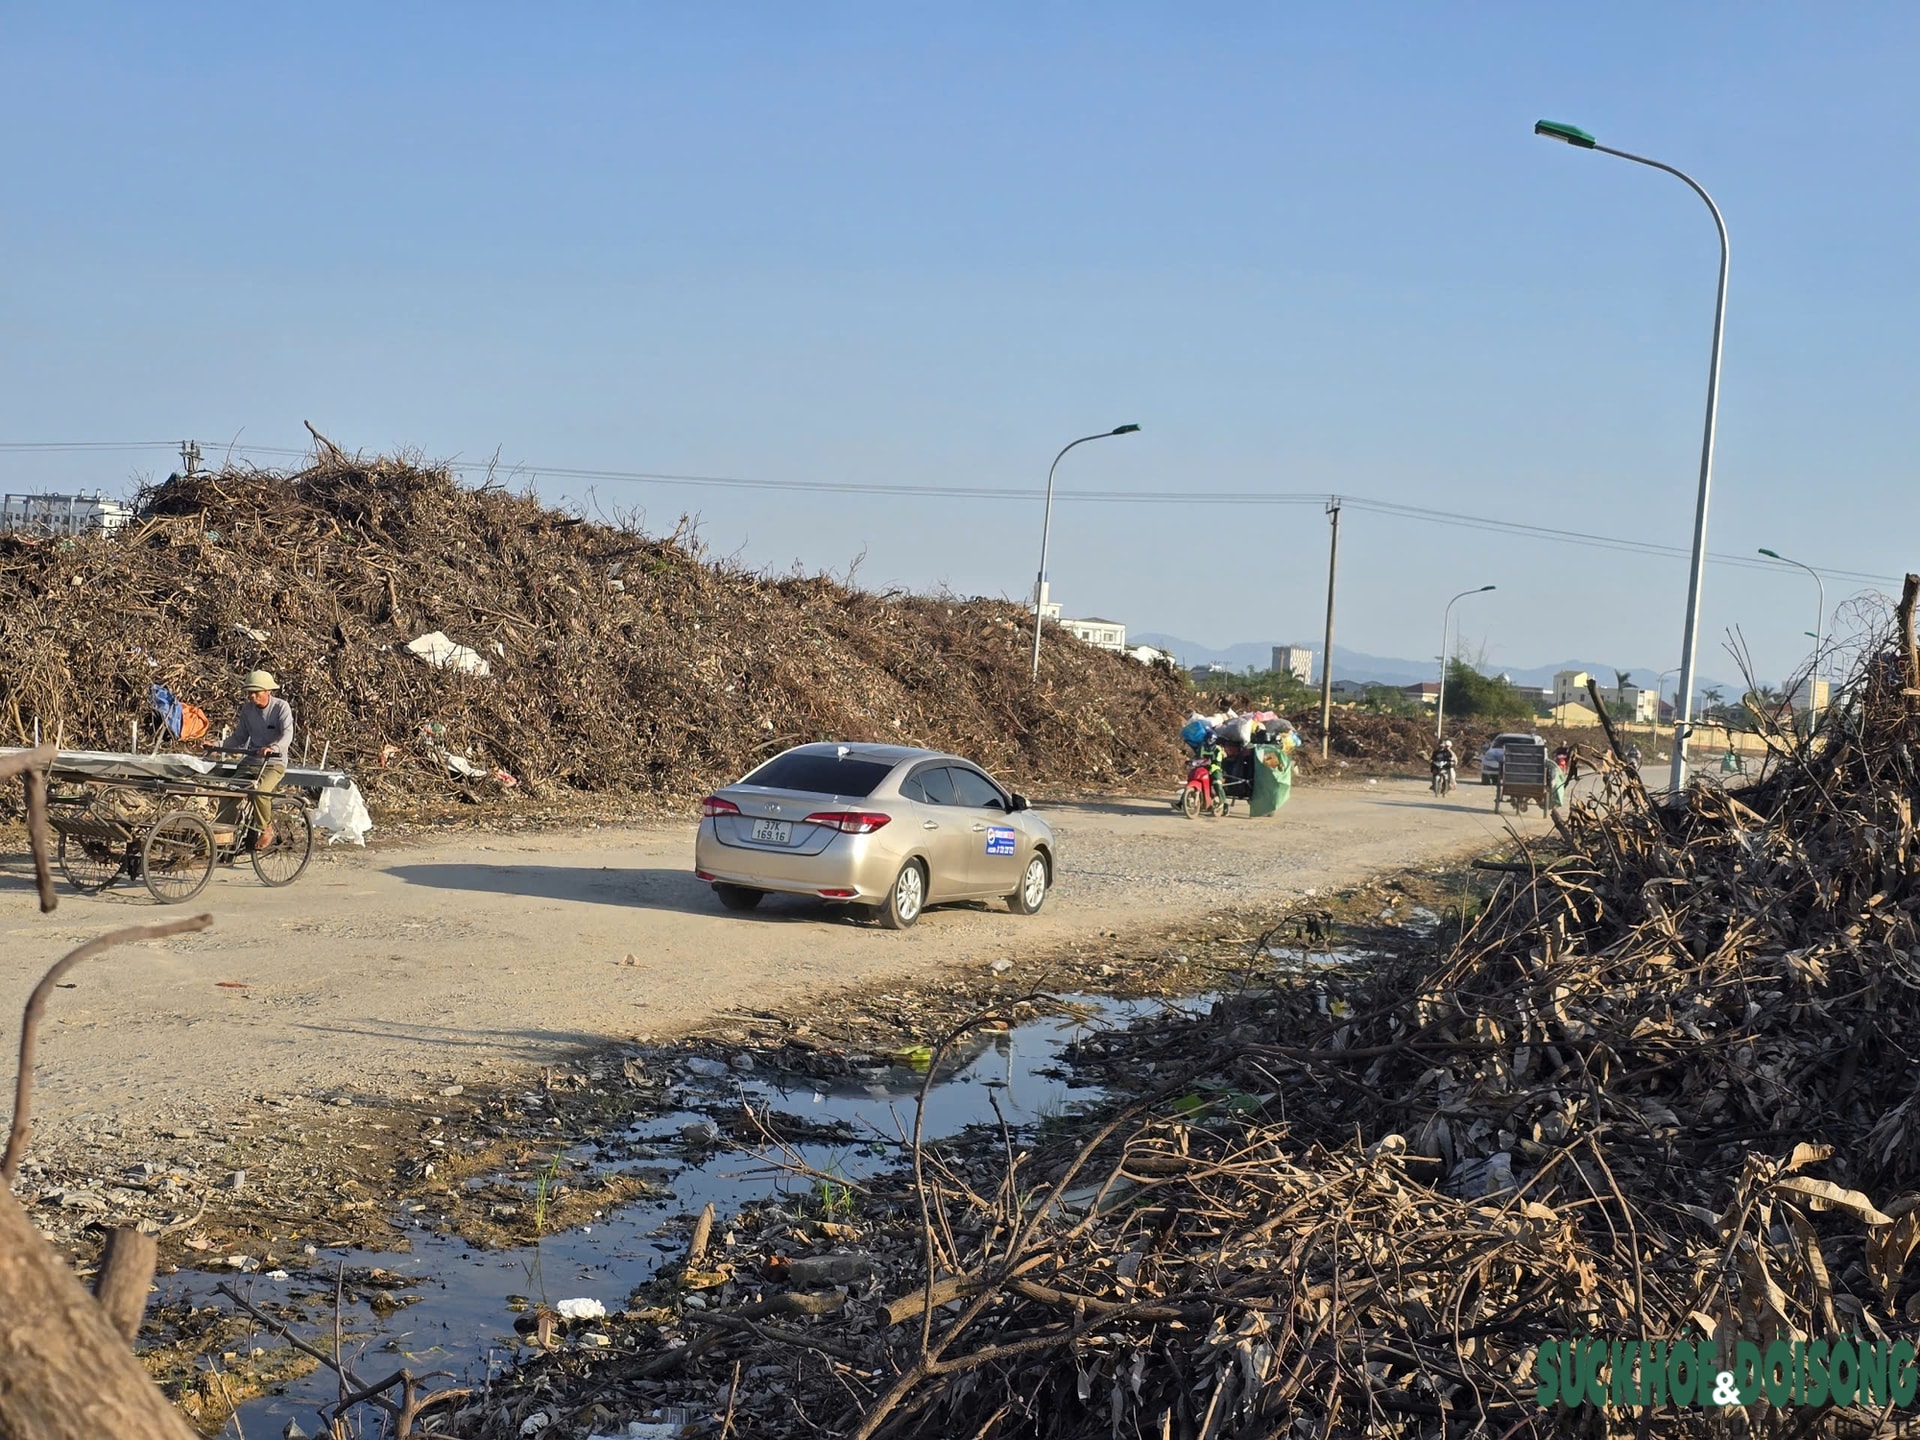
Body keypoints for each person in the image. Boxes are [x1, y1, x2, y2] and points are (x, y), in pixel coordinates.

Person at [205, 669, 293, 848]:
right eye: (249, 693)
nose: (252, 696)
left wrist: (273, 748)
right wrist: (217, 746)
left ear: (268, 691)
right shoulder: (247, 710)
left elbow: (287, 735)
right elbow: (239, 738)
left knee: (260, 791)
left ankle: (265, 829)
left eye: (256, 692)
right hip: (251, 762)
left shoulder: (281, 707)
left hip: (273, 763)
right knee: (229, 794)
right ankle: (223, 840)